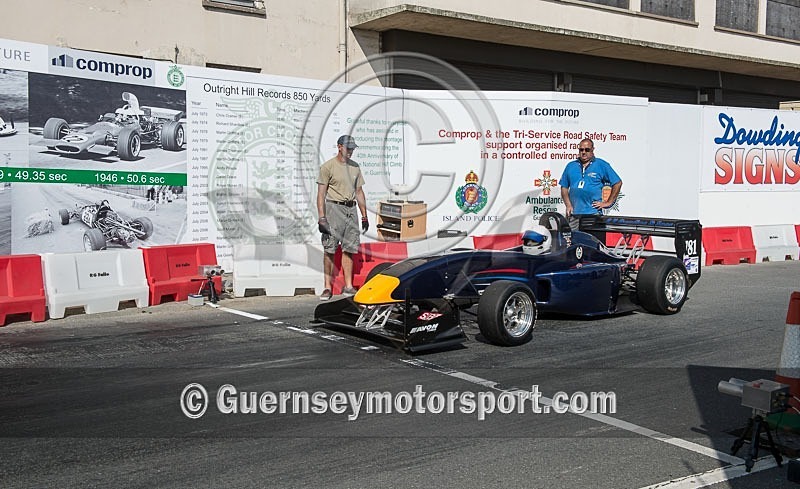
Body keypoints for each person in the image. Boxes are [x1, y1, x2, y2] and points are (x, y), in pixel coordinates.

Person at [316, 135, 368, 301]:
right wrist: (322, 217)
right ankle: (326, 287)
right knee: (330, 249)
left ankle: (349, 286)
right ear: (339, 147)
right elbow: (321, 194)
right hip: (333, 209)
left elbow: (359, 192)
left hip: (350, 209)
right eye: (348, 148)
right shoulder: (328, 167)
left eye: (352, 149)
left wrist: (364, 216)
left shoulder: (355, 167)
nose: (350, 152)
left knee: (349, 249)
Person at [558, 138, 622, 241]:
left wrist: (608, 202)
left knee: (593, 245)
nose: (583, 152)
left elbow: (617, 183)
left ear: (593, 150)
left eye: (587, 150)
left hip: (593, 214)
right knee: (573, 245)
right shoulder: (571, 166)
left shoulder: (601, 165)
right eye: (581, 150)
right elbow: (564, 187)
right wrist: (568, 205)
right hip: (574, 215)